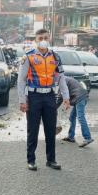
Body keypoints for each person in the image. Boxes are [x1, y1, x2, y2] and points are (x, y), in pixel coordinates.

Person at [17, 28, 70, 171]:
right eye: (40, 38)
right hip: (33, 97)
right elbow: (21, 80)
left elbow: (61, 78)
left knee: (51, 129)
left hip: (50, 96)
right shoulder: (28, 56)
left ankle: (51, 160)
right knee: (32, 129)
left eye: (45, 37)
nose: (43, 40)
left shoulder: (56, 57)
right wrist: (22, 100)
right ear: (36, 40)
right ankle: (31, 160)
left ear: (50, 38)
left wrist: (66, 97)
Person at [61, 76, 93, 147]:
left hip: (79, 98)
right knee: (72, 117)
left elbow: (60, 96)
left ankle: (88, 138)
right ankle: (71, 137)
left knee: (80, 117)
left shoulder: (62, 81)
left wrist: (53, 109)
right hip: (80, 97)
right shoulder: (65, 79)